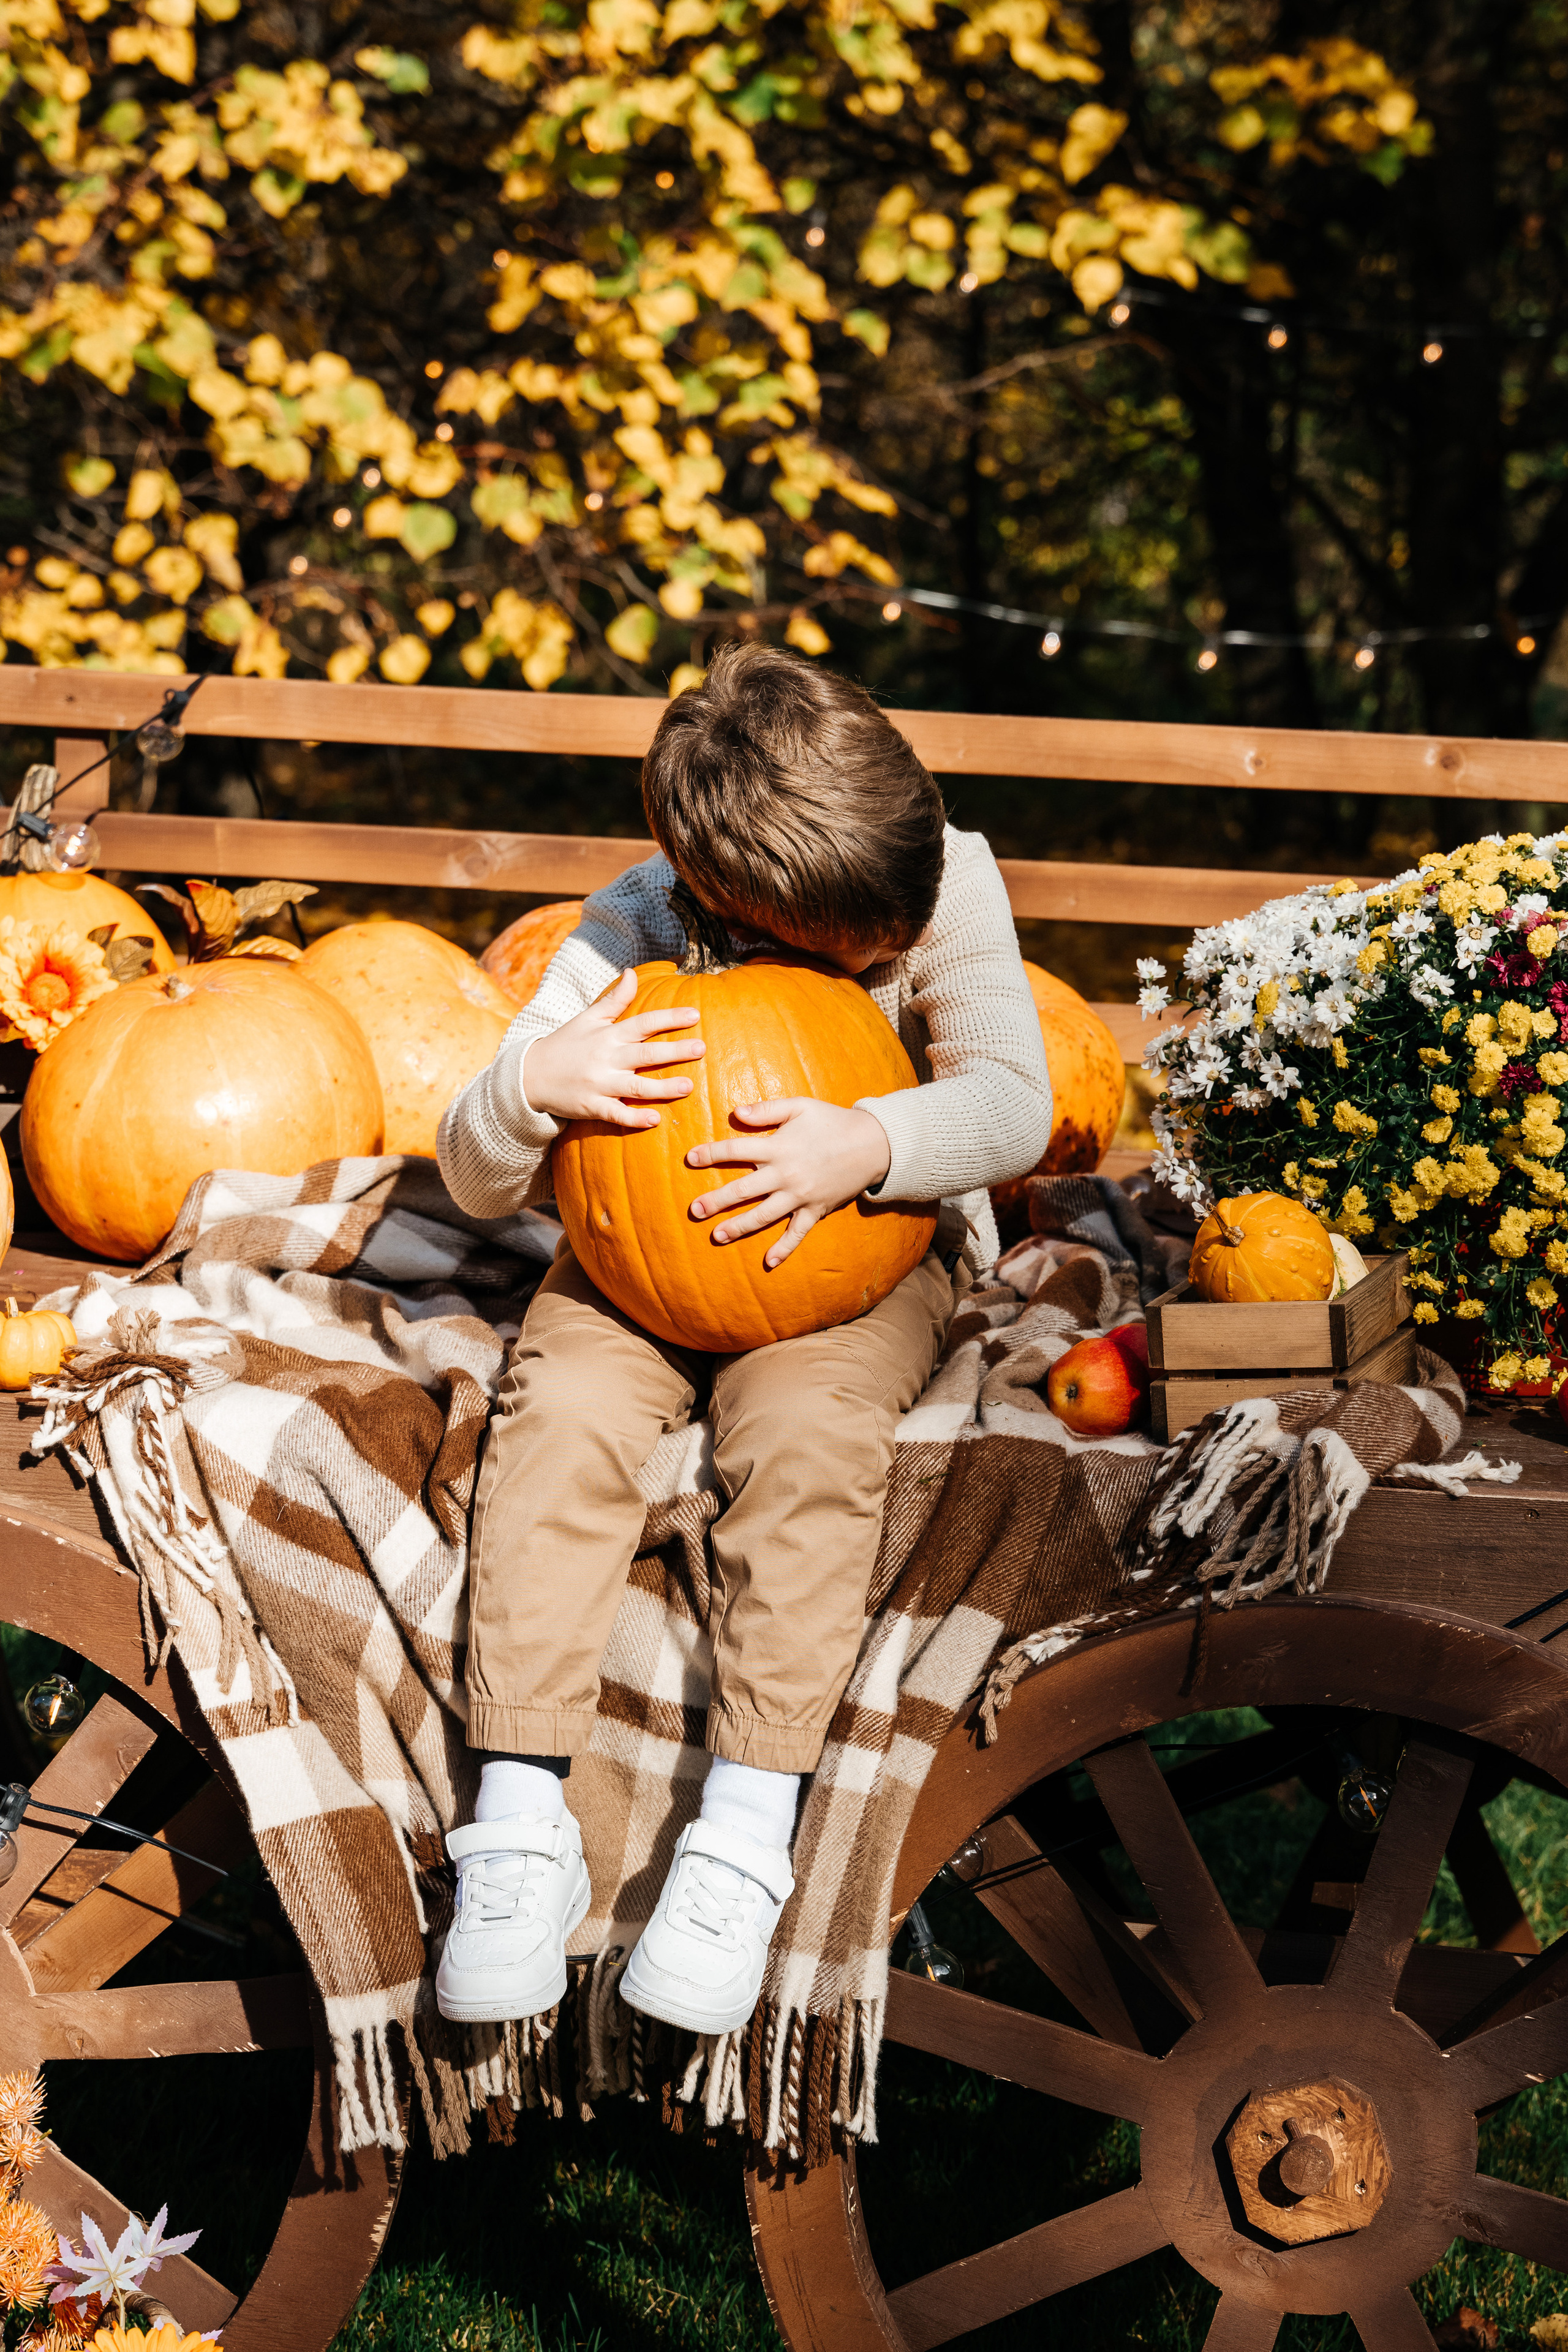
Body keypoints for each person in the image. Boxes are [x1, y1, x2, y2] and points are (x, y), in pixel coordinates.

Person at [433, 642, 1052, 2032]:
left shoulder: (947, 880)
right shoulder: (630, 925)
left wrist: (869, 1141)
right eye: (862, 946)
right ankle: (517, 1821)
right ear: (722, 896)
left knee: (808, 1436)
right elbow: (469, 1172)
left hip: (864, 1261)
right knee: (558, 1415)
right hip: (636, 1269)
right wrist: (532, 1085)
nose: (891, 949)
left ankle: (744, 1832)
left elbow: (1014, 1101)